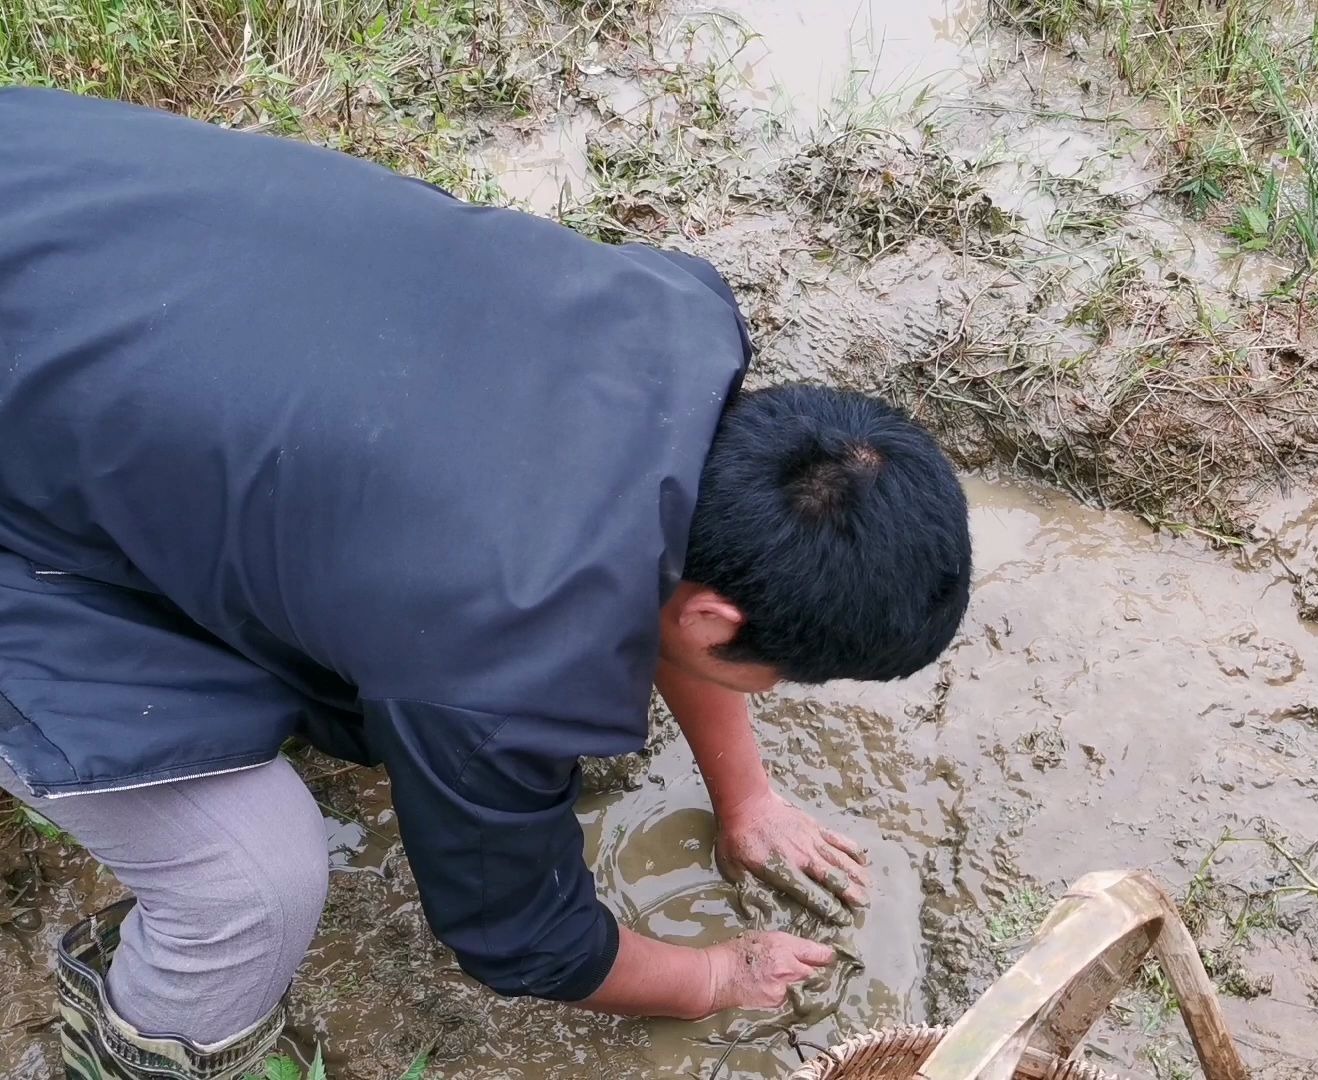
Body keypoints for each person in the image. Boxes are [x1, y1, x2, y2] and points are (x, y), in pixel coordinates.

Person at [0, 88, 972, 1080]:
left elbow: (681, 568)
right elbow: (523, 937)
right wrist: (716, 978)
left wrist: (748, 795)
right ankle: (132, 1053)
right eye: (782, 672)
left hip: (42, 177)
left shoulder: (670, 314)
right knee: (249, 879)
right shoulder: (492, 654)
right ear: (717, 621)